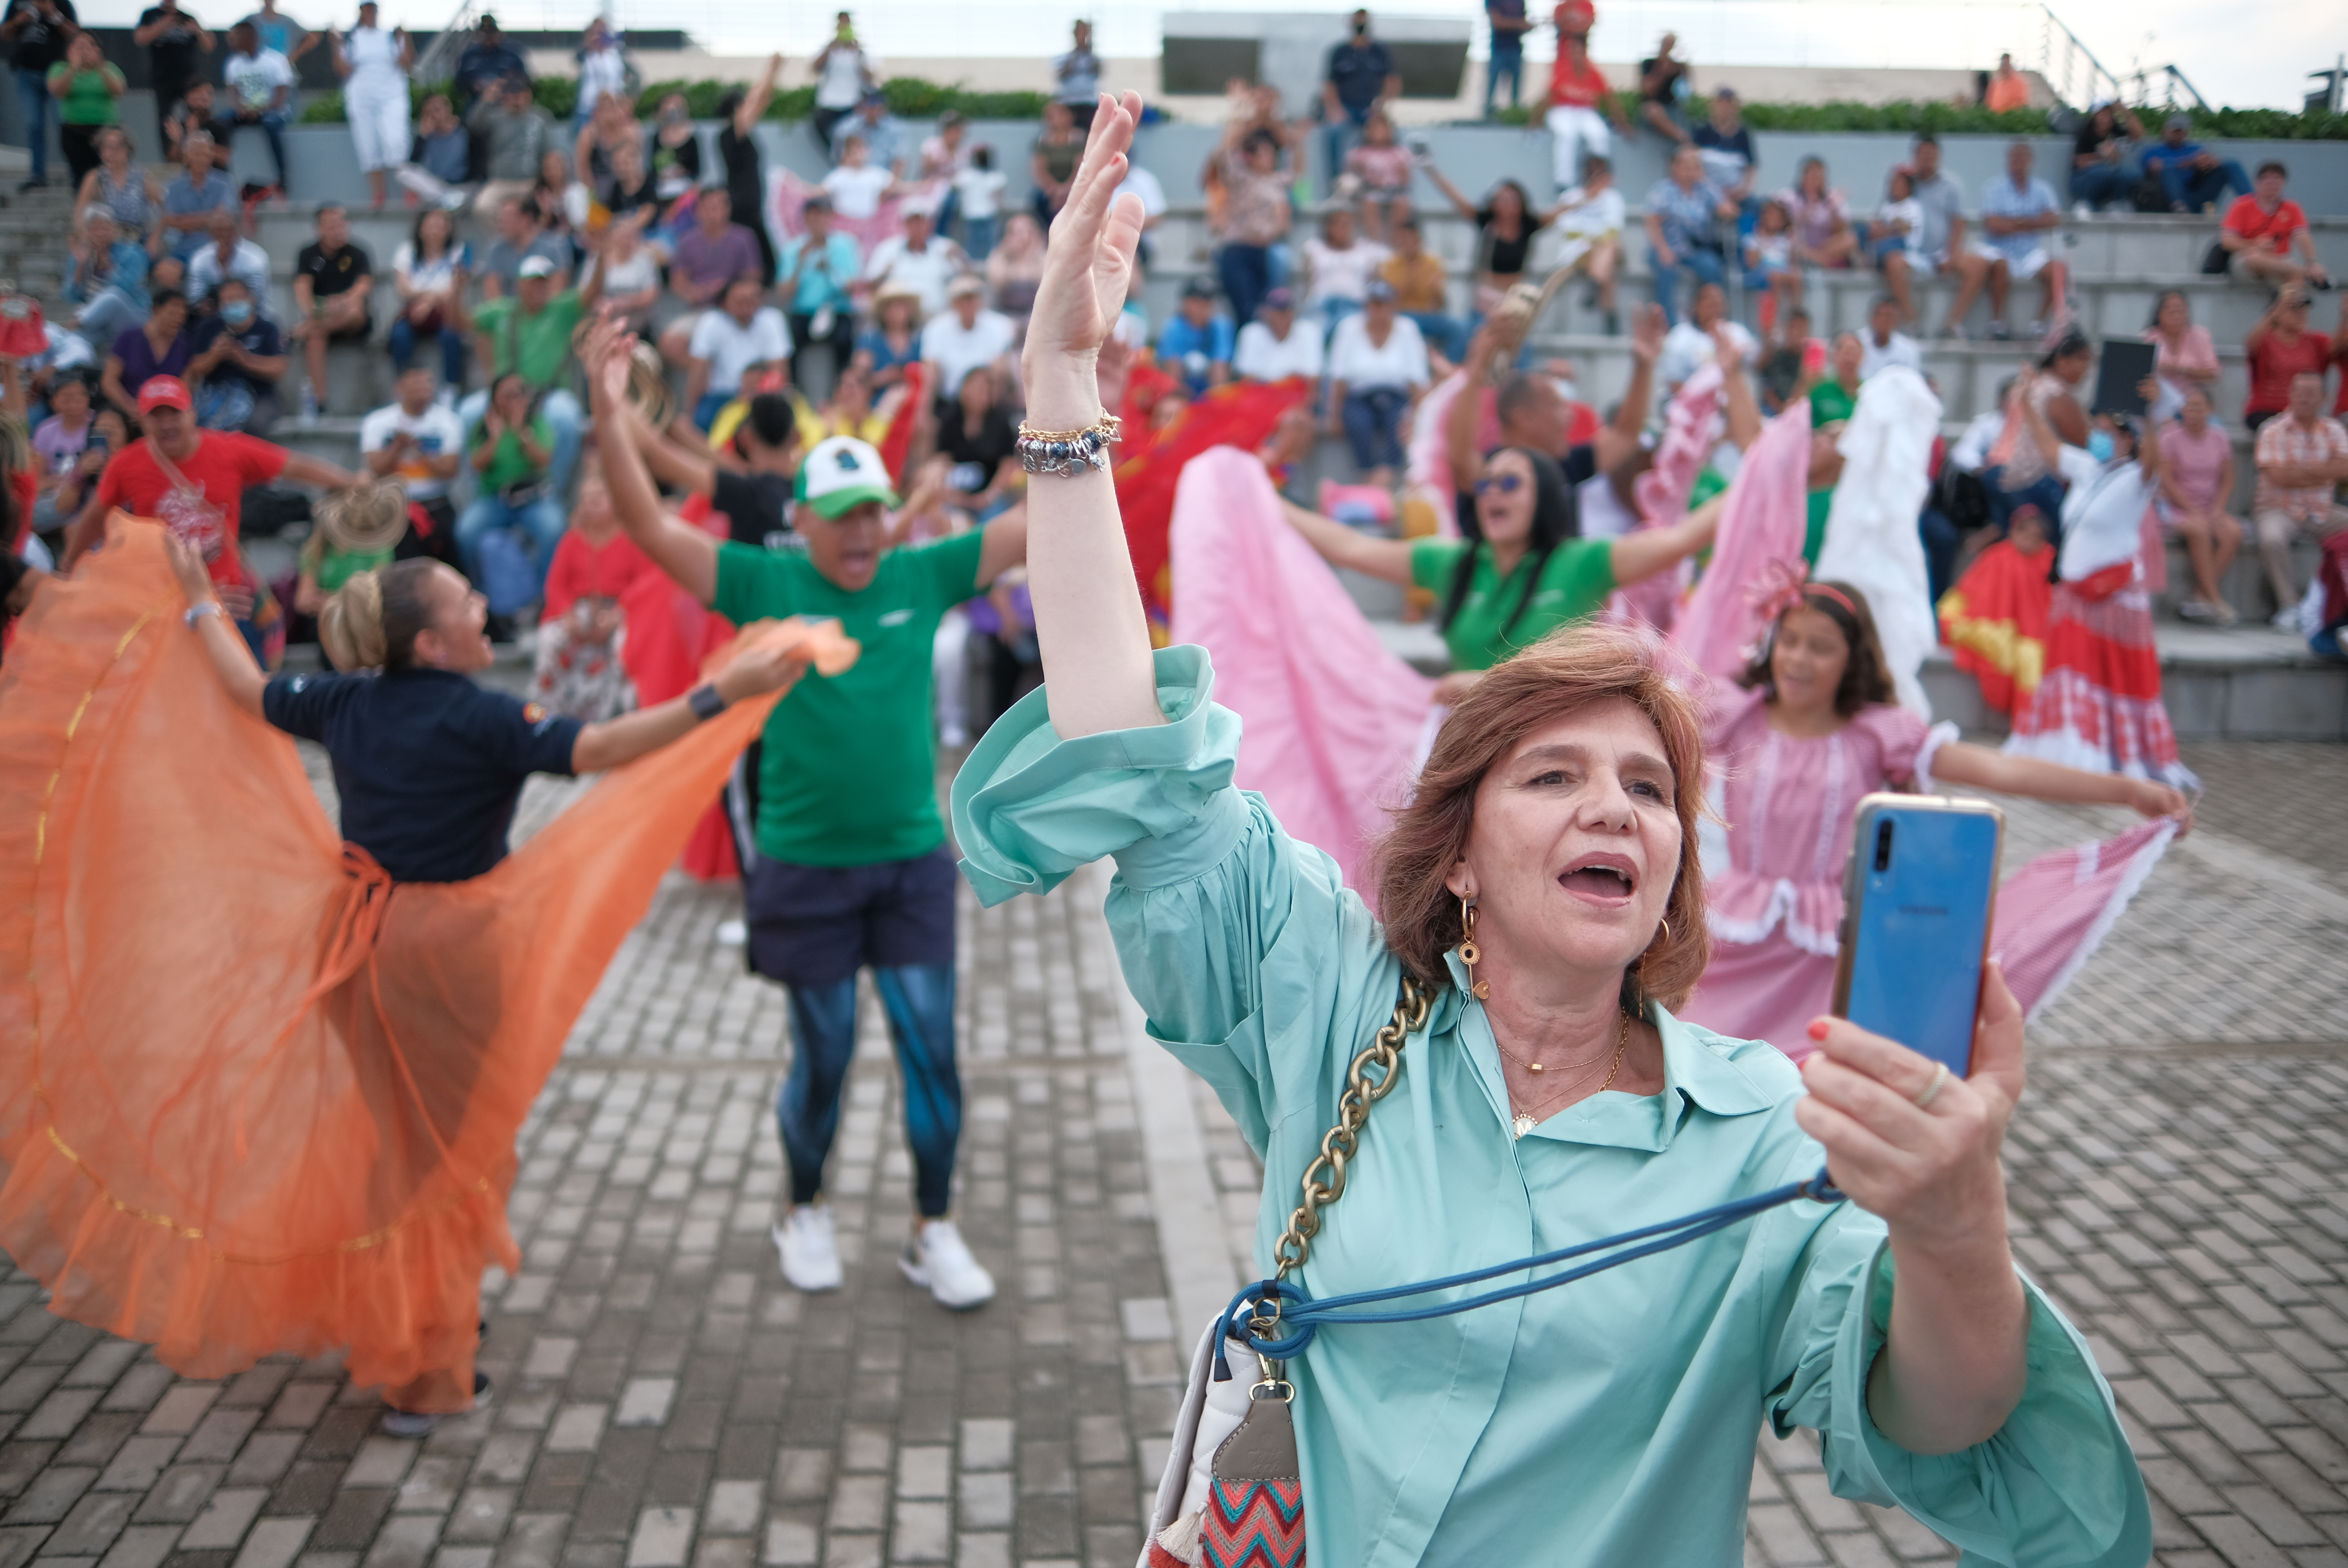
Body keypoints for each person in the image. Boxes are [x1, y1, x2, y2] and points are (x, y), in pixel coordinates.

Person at [976, 105, 2147, 1567]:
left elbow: (1944, 1418)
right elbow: (1132, 761)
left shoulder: (1762, 1135)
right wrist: (1062, 383)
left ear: (1669, 868)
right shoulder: (1326, 1008)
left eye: (1651, 790)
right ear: (1458, 849)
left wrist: (1957, 1222)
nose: (1614, 807)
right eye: (1553, 778)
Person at [0, 509, 813, 1431]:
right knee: (447, 1159)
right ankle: (424, 1372)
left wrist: (196, 605)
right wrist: (722, 693)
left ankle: (416, 1312)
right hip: (442, 954)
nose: (480, 607)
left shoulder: (345, 698)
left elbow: (241, 686)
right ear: (431, 641)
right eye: (466, 601)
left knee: (401, 1145)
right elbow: (600, 749)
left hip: (354, 943)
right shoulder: (482, 716)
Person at [588, 314, 1025, 1310]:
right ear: (808, 519)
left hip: (913, 860)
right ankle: (804, 1205)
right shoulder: (765, 580)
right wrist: (610, 416)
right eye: (845, 515)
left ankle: (933, 1227)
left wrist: (1072, 393)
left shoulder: (923, 571)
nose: (866, 530)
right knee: (823, 1051)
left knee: (932, 1051)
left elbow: (1038, 519)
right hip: (803, 866)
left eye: (876, 509)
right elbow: (650, 528)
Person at [1686, 576, 2187, 1056]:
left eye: (1821, 647)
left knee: (1817, 1077)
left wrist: (2126, 790)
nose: (1798, 659)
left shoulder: (1879, 734)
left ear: (1851, 660)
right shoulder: (1737, 716)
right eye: (1789, 640)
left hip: (1838, 948)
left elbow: (2002, 770)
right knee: (1696, 1048)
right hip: (1739, 936)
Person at [62, 373, 359, 660]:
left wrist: (349, 481)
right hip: (165, 601)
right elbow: (92, 519)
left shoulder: (228, 449)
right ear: (142, 421)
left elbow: (293, 466)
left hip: (228, 597)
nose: (167, 424)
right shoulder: (126, 464)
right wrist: (67, 569)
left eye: (174, 413)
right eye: (157, 416)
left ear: (192, 413)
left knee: (248, 693)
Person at [2001, 371, 2198, 782]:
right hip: (2075, 597)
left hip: (2113, 599)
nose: (2099, 433)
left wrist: (2152, 419)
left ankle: (2112, 751)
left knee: (2112, 680)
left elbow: (2153, 462)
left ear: (2128, 438)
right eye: (2099, 428)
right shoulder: (2088, 467)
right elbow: (2050, 447)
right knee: (2072, 676)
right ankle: (2072, 749)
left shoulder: (2137, 479)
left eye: (2108, 429)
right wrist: (2026, 406)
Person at [461, 254, 595, 495]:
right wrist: (455, 289)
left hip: (548, 393)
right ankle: (478, 491)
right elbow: (460, 323)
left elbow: (592, 293)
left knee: (567, 417)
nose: (539, 287)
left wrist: (601, 256)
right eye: (533, 281)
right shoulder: (502, 311)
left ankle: (551, 491)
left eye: (544, 281)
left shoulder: (561, 309)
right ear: (519, 285)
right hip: (505, 394)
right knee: (468, 413)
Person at [2250, 372, 2348, 628]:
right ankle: (2289, 606)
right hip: (2277, 508)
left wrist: (2299, 474)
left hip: (2322, 509)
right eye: (2298, 392)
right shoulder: (2271, 429)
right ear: (2290, 394)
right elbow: (2279, 477)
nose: (2303, 398)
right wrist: (2322, 473)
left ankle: (2340, 605)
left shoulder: (2335, 429)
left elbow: (2343, 471)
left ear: (2324, 397)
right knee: (2272, 538)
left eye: (2310, 393)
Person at [1981, 328, 2090, 533]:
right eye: (2082, 359)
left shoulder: (2031, 385)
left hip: (1997, 471)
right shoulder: (2057, 395)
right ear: (2061, 361)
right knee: (2055, 547)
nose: (2087, 369)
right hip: (2031, 478)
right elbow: (2087, 442)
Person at [1324, 280, 1427, 486]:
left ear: (1392, 307)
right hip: (1358, 396)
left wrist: (1420, 416)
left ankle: (1380, 480)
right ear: (1366, 306)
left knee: (1399, 421)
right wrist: (1333, 415)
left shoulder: (1408, 329)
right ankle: (1370, 478)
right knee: (1359, 423)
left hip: (1395, 396)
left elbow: (1417, 379)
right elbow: (1339, 377)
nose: (1378, 310)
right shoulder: (1348, 328)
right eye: (1374, 304)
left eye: (1383, 304)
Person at [1885, 133, 1987, 335]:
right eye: (1922, 155)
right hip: (1912, 252)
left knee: (1979, 265)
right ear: (1914, 156)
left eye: (1931, 155)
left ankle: (1952, 323)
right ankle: (1911, 322)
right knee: (1893, 263)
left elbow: (1958, 224)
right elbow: (1887, 214)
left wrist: (1952, 254)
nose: (1926, 160)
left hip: (1942, 253)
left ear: (1938, 157)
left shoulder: (1952, 186)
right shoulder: (1904, 182)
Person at [2158, 386, 2242, 625]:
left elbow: (2228, 478)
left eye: (2199, 407)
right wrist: (2191, 508)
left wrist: (2217, 508)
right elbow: (2167, 479)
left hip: (2210, 505)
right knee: (2200, 530)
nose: (2194, 413)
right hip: (2176, 506)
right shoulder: (2170, 437)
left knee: (2232, 532)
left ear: (2210, 410)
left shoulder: (2219, 436)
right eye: (2189, 407)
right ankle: (2215, 599)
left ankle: (2198, 596)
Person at [1974, 140, 2068, 340]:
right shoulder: (1994, 187)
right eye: (2014, 158)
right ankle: (1998, 323)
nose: (2018, 162)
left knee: (2059, 271)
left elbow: (2054, 219)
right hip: (1999, 249)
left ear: (2031, 161)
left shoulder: (2042, 188)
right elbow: (1993, 224)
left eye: (2022, 158)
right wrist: (2030, 223)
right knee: (2001, 265)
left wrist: (2016, 223)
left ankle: (2039, 324)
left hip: (2029, 251)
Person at [361, 362, 464, 539]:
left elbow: (450, 470)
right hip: (393, 504)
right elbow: (376, 469)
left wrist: (420, 450)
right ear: (399, 388)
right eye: (415, 387)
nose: (421, 393)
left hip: (436, 501)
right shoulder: (377, 421)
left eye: (426, 386)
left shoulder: (448, 421)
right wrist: (397, 448)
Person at [288, 205, 371, 421]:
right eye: (332, 225)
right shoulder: (308, 254)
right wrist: (317, 311)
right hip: (322, 316)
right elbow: (302, 288)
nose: (338, 230)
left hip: (351, 318)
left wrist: (342, 302)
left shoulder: (358, 253)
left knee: (355, 311)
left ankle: (302, 331)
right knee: (315, 339)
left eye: (342, 224)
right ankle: (320, 401)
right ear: (319, 228)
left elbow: (363, 287)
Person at [1644, 145, 1738, 326]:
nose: (1690, 169)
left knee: (1712, 267)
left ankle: (1709, 319)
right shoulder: (1664, 190)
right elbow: (1652, 222)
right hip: (1666, 246)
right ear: (1675, 167)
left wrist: (1706, 182)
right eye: (1686, 165)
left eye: (1695, 165)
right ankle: (1667, 324)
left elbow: (1730, 212)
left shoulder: (1704, 190)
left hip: (1693, 251)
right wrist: (1663, 249)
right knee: (1666, 269)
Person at [332, 1, 414, 210]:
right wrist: (336, 43)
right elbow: (343, 70)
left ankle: (410, 190)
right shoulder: (351, 38)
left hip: (392, 95)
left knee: (396, 142)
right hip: (361, 98)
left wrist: (406, 35)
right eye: (366, 8)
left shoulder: (390, 35)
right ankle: (379, 195)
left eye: (373, 8)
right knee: (368, 147)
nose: (370, 12)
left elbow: (406, 61)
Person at [1210, 126, 1293, 329]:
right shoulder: (1240, 178)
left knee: (1268, 310)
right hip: (1239, 251)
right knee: (1246, 311)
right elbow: (1223, 158)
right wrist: (1238, 126)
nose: (1269, 158)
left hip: (1265, 252)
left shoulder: (1277, 182)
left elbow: (1298, 172)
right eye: (1264, 153)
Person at [1533, 14, 1627, 194]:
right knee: (1568, 135)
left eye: (1577, 50)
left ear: (1584, 51)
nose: (1573, 54)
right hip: (1561, 111)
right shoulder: (1561, 69)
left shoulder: (1594, 71)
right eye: (1570, 50)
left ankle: (1599, 179)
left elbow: (1611, 100)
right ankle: (1564, 183)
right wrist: (1534, 123)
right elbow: (1546, 98)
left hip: (1586, 112)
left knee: (1599, 134)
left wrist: (1624, 124)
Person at [773, 195, 861, 385]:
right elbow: (784, 294)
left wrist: (830, 269)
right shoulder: (793, 249)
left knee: (845, 341)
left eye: (823, 216)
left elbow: (850, 289)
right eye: (813, 216)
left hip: (837, 311)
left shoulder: (845, 245)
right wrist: (800, 264)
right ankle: (795, 395)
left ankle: (840, 393)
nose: (819, 221)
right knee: (787, 345)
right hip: (803, 312)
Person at [687, 275, 792, 432]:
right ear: (725, 302)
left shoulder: (773, 319)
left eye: (753, 298)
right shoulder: (710, 322)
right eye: (741, 300)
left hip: (762, 396)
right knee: (701, 423)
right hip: (722, 394)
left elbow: (780, 371)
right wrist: (690, 413)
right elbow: (697, 373)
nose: (748, 305)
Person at [714, 55, 784, 284]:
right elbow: (755, 102)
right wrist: (770, 69)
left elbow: (762, 101)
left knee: (755, 255)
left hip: (749, 205)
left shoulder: (739, 135)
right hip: (741, 204)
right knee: (760, 260)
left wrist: (774, 76)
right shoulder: (731, 135)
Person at [186, 276, 286, 432]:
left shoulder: (267, 328)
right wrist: (215, 354)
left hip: (260, 396)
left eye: (237, 298)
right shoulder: (208, 328)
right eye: (227, 301)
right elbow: (196, 368)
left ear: (251, 299)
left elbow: (278, 369)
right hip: (216, 395)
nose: (232, 304)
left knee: (254, 425)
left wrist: (243, 359)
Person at [390, 205, 469, 393]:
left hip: (446, 311)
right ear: (421, 227)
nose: (435, 229)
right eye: (431, 224)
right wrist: (429, 298)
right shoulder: (407, 250)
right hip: (413, 312)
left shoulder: (459, 252)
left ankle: (451, 389)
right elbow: (403, 289)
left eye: (441, 225)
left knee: (451, 336)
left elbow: (455, 289)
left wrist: (428, 302)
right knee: (399, 336)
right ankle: (404, 386)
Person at [2220, 161, 2330, 292]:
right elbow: (2227, 241)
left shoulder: (2292, 208)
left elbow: (2302, 236)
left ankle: (2283, 308)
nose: (2272, 184)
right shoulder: (2241, 206)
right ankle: (2306, 273)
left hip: (2279, 261)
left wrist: (2313, 262)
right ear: (2257, 183)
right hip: (2247, 259)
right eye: (2267, 180)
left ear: (2284, 183)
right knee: (2255, 259)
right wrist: (2254, 245)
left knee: (2295, 285)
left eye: (2277, 180)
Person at [1321, 9, 1398, 197]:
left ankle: (1391, 185)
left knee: (1392, 136)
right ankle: (1337, 186)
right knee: (1334, 132)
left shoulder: (1379, 51)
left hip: (1371, 110)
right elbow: (1329, 86)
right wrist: (1337, 110)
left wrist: (1381, 106)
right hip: (1345, 108)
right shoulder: (1340, 52)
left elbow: (1392, 82)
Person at [4, 0, 79, 189]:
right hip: (26, 73)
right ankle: (38, 176)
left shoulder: (62, 4)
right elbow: (5, 32)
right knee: (34, 125)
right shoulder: (17, 3)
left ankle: (76, 174)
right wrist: (18, 21)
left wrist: (53, 14)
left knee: (64, 123)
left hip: (56, 73)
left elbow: (75, 34)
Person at [214, 20, 292, 192]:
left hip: (272, 112)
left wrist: (259, 110)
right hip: (245, 111)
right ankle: (221, 174)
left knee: (271, 125)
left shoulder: (275, 60)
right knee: (220, 123)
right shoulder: (233, 64)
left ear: (249, 37)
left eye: (235, 38)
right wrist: (241, 109)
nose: (231, 42)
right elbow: (233, 92)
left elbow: (281, 96)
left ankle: (283, 178)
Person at [467, 73, 555, 217]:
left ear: (528, 94)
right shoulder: (495, 118)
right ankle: (502, 239)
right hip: (500, 182)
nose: (516, 99)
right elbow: (474, 126)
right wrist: (486, 99)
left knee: (543, 209)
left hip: (530, 183)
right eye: (511, 94)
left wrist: (546, 184)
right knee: (482, 207)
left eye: (520, 93)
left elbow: (549, 153)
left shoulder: (540, 118)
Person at [2243, 287, 2331, 432]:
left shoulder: (2315, 341)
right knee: (2283, 428)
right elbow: (2250, 345)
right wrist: (2276, 310)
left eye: (2303, 309)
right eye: (2293, 309)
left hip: (2305, 411)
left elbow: (2338, 348)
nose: (2300, 314)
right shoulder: (2265, 340)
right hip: (2267, 409)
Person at [45, 32, 125, 193]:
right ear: (70, 50)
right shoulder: (60, 68)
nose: (85, 50)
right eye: (79, 46)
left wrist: (100, 67)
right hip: (75, 130)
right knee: (81, 176)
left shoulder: (108, 68)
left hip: (105, 130)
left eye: (90, 45)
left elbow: (118, 91)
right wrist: (73, 68)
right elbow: (57, 91)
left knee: (106, 174)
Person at [920, 273, 1016, 404]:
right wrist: (925, 410)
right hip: (949, 400)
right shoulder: (936, 328)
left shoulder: (1001, 326)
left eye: (972, 297)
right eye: (963, 298)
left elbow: (1000, 369)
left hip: (989, 401)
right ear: (953, 302)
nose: (968, 303)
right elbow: (931, 370)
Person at [100, 287, 192, 422]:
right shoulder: (129, 337)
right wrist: (130, 407)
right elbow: (109, 381)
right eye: (172, 314)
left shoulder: (184, 346)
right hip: (127, 413)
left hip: (165, 415)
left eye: (182, 316)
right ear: (156, 310)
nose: (178, 320)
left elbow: (184, 387)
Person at [1377, 219, 1459, 365]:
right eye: (1403, 239)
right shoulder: (1390, 265)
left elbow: (1440, 305)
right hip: (1401, 315)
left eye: (1410, 238)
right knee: (1408, 325)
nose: (1407, 242)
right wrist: (1410, 277)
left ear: (1418, 239)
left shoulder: (1433, 263)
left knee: (1458, 328)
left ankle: (1449, 368)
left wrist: (1438, 292)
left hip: (1426, 315)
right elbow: (1389, 304)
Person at [64, 208, 151, 345]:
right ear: (87, 233)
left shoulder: (133, 253)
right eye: (95, 229)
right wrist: (80, 268)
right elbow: (71, 296)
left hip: (132, 317)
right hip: (98, 322)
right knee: (74, 342)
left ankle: (79, 322)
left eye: (105, 228)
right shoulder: (81, 257)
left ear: (114, 230)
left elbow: (126, 288)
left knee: (112, 296)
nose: (100, 234)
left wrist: (109, 268)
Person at [864, 205, 966, 319]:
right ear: (904, 224)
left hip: (937, 314)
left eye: (922, 221)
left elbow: (968, 282)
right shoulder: (888, 249)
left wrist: (960, 258)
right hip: (899, 318)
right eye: (912, 222)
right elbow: (870, 284)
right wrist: (885, 273)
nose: (917, 226)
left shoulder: (946, 248)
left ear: (931, 224)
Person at [1300, 207, 1390, 336]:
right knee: (1312, 328)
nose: (1343, 228)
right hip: (1322, 304)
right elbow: (1308, 281)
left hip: (1354, 304)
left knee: (1347, 324)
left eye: (1347, 224)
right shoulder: (1314, 248)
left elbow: (1391, 259)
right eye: (1338, 224)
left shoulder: (1366, 249)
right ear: (1328, 227)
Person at [74, 125, 164, 254]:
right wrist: (85, 237)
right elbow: (80, 212)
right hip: (105, 242)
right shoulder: (95, 178)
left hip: (137, 240)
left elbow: (167, 209)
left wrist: (155, 237)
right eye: (104, 148)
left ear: (126, 150)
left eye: (115, 148)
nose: (108, 153)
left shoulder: (142, 178)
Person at [28, 373, 96, 540]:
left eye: (80, 395)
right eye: (66, 397)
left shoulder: (98, 424)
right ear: (54, 401)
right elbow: (38, 479)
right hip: (54, 497)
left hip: (88, 494)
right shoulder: (45, 430)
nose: (74, 403)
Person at [1656, 281, 1757, 394]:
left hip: (1733, 404)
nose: (1715, 305)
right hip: (1692, 405)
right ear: (1696, 305)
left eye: (1719, 301)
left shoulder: (1738, 332)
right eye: (1709, 301)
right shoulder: (1680, 336)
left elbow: (1759, 363)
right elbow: (1674, 384)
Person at [2141, 113, 2249, 215]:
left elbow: (2213, 162)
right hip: (2168, 198)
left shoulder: (2196, 149)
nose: (2177, 135)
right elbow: (2155, 167)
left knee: (2231, 165)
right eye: (2174, 131)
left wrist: (2209, 163)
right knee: (2169, 169)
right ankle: (2181, 208)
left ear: (2186, 133)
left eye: (2181, 132)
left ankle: (2253, 204)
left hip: (2195, 193)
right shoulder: (2153, 150)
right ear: (2166, 130)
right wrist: (2191, 163)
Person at [157, 131, 234, 264]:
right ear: (186, 157)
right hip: (183, 248)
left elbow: (223, 219)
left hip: (215, 248)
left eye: (206, 154)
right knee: (166, 272)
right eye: (198, 154)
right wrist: (209, 218)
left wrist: (184, 221)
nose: (202, 159)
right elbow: (171, 221)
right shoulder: (175, 187)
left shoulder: (224, 183)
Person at [2143, 288, 2217, 425]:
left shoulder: (2200, 336)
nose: (2175, 315)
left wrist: (2177, 369)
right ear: (2159, 314)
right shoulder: (2149, 337)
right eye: (2169, 310)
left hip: (2192, 401)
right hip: (2159, 402)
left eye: (2179, 310)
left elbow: (2213, 373)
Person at [134, 0, 212, 131]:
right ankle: (170, 149)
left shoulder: (188, 17)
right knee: (166, 119)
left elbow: (209, 45)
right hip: (163, 77)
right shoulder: (151, 15)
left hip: (189, 78)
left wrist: (197, 31)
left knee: (197, 114)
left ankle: (200, 145)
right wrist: (163, 25)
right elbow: (140, 39)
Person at [809, 10, 877, 154]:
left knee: (852, 135)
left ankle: (852, 159)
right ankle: (838, 160)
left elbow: (870, 77)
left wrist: (857, 53)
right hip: (829, 103)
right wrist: (830, 49)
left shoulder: (860, 52)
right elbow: (815, 68)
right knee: (819, 127)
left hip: (852, 103)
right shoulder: (829, 49)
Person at [477, 193, 567, 299]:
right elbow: (493, 296)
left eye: (508, 217)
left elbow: (557, 291)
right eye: (501, 218)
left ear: (526, 219)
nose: (502, 223)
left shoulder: (554, 246)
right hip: (509, 313)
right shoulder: (495, 250)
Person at [1157, 277, 1235, 398]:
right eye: (1197, 301)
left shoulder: (1220, 326)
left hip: (1210, 385)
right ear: (1185, 302)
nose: (1203, 307)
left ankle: (1216, 406)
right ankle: (1178, 405)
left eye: (1208, 302)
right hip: (1183, 383)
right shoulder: (1174, 327)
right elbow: (1171, 366)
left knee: (1220, 369)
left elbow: (1222, 363)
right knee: (1173, 368)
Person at [1343, 111, 1413, 246]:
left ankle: (1395, 242)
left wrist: (1401, 174)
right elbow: (1350, 176)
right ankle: (1375, 243)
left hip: (1394, 191)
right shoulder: (1359, 153)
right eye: (1374, 128)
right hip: (1368, 190)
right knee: (1370, 203)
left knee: (1402, 203)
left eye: (1382, 127)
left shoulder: (1400, 153)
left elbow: (1407, 181)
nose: (1378, 131)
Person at [1232, 286, 1325, 384]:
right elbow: (1247, 381)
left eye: (1285, 312)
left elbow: (1313, 381)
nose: (1281, 318)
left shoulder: (1310, 331)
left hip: (1295, 396)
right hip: (1262, 396)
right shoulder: (1251, 333)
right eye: (1276, 313)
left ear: (1293, 313)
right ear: (1265, 313)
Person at [1779, 156, 1855, 272]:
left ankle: (1816, 260)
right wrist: (1804, 216)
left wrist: (1833, 209)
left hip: (1825, 246)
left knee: (1849, 239)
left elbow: (1841, 230)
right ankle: (1822, 261)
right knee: (1792, 239)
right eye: (1811, 176)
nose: (1815, 181)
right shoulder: (1791, 197)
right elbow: (1782, 223)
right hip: (1801, 243)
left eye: (1818, 177)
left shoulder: (1832, 197)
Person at [2067, 100, 2145, 213]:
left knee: (2132, 173)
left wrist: (2124, 111)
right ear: (2095, 116)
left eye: (2110, 113)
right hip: (2083, 181)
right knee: (2101, 172)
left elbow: (2139, 135)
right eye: (2103, 113)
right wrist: (2102, 156)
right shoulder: (2086, 133)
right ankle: (2086, 204)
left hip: (2111, 175)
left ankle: (2116, 203)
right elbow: (2079, 162)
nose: (2107, 117)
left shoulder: (2116, 132)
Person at [184, 205, 269, 307]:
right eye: (219, 231)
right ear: (210, 233)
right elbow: (196, 298)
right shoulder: (200, 258)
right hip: (212, 314)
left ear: (237, 230)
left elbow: (256, 297)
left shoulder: (255, 257)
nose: (224, 235)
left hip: (252, 314)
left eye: (229, 230)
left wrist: (225, 267)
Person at [1690, 87, 1758, 213]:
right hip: (1706, 192)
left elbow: (1751, 167)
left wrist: (1743, 190)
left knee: (1755, 207)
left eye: (1730, 104)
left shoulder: (1743, 134)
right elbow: (1693, 163)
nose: (1725, 108)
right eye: (1721, 103)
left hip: (1736, 194)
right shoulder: (1702, 131)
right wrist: (1716, 193)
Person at [854, 281, 923, 394]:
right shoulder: (870, 340)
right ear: (882, 311)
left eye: (901, 305)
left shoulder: (920, 340)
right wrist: (884, 377)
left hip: (914, 401)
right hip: (877, 403)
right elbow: (859, 377)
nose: (896, 310)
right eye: (890, 306)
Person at [401, 92, 470, 200]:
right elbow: (413, 164)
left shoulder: (465, 130)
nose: (435, 115)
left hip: (464, 183)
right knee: (404, 172)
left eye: (437, 110)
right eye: (429, 113)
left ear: (448, 107)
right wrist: (423, 137)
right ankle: (445, 199)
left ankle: (447, 199)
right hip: (438, 185)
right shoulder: (428, 136)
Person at [982, 211, 1047, 324]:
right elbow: (999, 283)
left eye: (1029, 231)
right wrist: (1015, 256)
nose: (1024, 237)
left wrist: (1029, 257)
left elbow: (1045, 282)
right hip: (1004, 315)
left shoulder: (1044, 256)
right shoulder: (999, 256)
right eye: (1018, 232)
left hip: (1038, 316)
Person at [452, 12, 527, 110]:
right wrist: (474, 85)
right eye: (485, 33)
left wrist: (504, 84)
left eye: (491, 33)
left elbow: (525, 81)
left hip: (505, 103)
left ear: (498, 33)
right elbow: (459, 83)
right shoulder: (469, 56)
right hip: (477, 102)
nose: (488, 37)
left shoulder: (512, 55)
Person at [1028, 99, 1084, 230]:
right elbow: (1039, 168)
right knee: (1038, 200)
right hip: (1050, 189)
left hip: (1074, 186)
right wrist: (1053, 189)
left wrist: (1066, 189)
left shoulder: (1079, 139)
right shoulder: (1042, 141)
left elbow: (1080, 167)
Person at [571, 17, 628, 138]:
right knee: (585, 140)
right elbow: (576, 57)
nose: (598, 37)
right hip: (587, 110)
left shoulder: (616, 54)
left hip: (611, 108)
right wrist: (590, 44)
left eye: (601, 33)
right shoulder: (587, 55)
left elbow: (631, 76)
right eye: (594, 33)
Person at [951, 143, 1006, 261]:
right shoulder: (967, 175)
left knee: (990, 244)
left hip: (988, 215)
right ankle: (973, 267)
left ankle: (991, 264)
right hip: (972, 216)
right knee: (972, 244)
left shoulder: (994, 176)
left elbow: (1000, 198)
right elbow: (954, 185)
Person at [1636, 30, 1691, 144]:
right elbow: (1648, 90)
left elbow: (1686, 92)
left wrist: (1682, 68)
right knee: (1652, 110)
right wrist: (1662, 71)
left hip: (1673, 108)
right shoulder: (1649, 64)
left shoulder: (1679, 67)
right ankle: (1683, 139)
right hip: (1655, 107)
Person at [1052, 18, 1100, 132]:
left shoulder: (1093, 58)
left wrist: (1088, 49)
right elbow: (1062, 75)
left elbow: (1098, 71)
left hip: (1089, 103)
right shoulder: (1065, 58)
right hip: (1069, 103)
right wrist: (1078, 52)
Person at [1870, 166, 1922, 272]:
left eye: (1899, 183)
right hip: (1885, 242)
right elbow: (1877, 226)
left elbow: (1905, 229)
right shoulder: (1887, 206)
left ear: (1908, 187)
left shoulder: (1913, 206)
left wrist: (1889, 228)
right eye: (1893, 183)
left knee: (1887, 247)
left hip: (1905, 248)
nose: (1894, 186)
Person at [1482, 0, 1528, 116]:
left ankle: (1514, 113)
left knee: (1516, 91)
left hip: (1516, 48)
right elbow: (1497, 23)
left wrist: (1524, 25)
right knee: (1491, 87)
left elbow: (1523, 22)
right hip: (1498, 49)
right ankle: (1487, 113)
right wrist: (1518, 24)